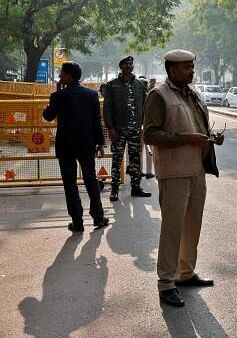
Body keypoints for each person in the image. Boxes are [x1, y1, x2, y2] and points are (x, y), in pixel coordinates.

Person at [143, 49, 224, 307]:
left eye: (191, 66)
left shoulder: (193, 94)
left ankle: (186, 272)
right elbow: (150, 135)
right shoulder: (158, 96)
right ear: (171, 70)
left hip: (197, 169)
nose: (191, 70)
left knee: (192, 225)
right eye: (186, 67)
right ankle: (166, 282)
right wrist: (186, 139)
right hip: (174, 171)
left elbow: (197, 127)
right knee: (172, 229)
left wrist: (211, 137)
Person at [42, 62, 109, 232]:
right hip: (86, 144)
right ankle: (98, 217)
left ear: (69, 75)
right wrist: (101, 143)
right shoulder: (91, 95)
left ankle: (77, 222)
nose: (59, 76)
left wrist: (55, 93)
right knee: (91, 179)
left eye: (61, 73)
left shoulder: (59, 96)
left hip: (65, 145)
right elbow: (96, 122)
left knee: (69, 183)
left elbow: (48, 116)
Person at [103, 56, 151, 202]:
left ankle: (136, 187)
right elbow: (107, 109)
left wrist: (144, 125)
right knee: (117, 160)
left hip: (136, 129)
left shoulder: (139, 85)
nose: (129, 66)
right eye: (126, 64)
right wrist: (110, 128)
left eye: (131, 64)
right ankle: (115, 189)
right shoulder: (112, 85)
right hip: (118, 130)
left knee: (135, 160)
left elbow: (145, 106)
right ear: (121, 67)